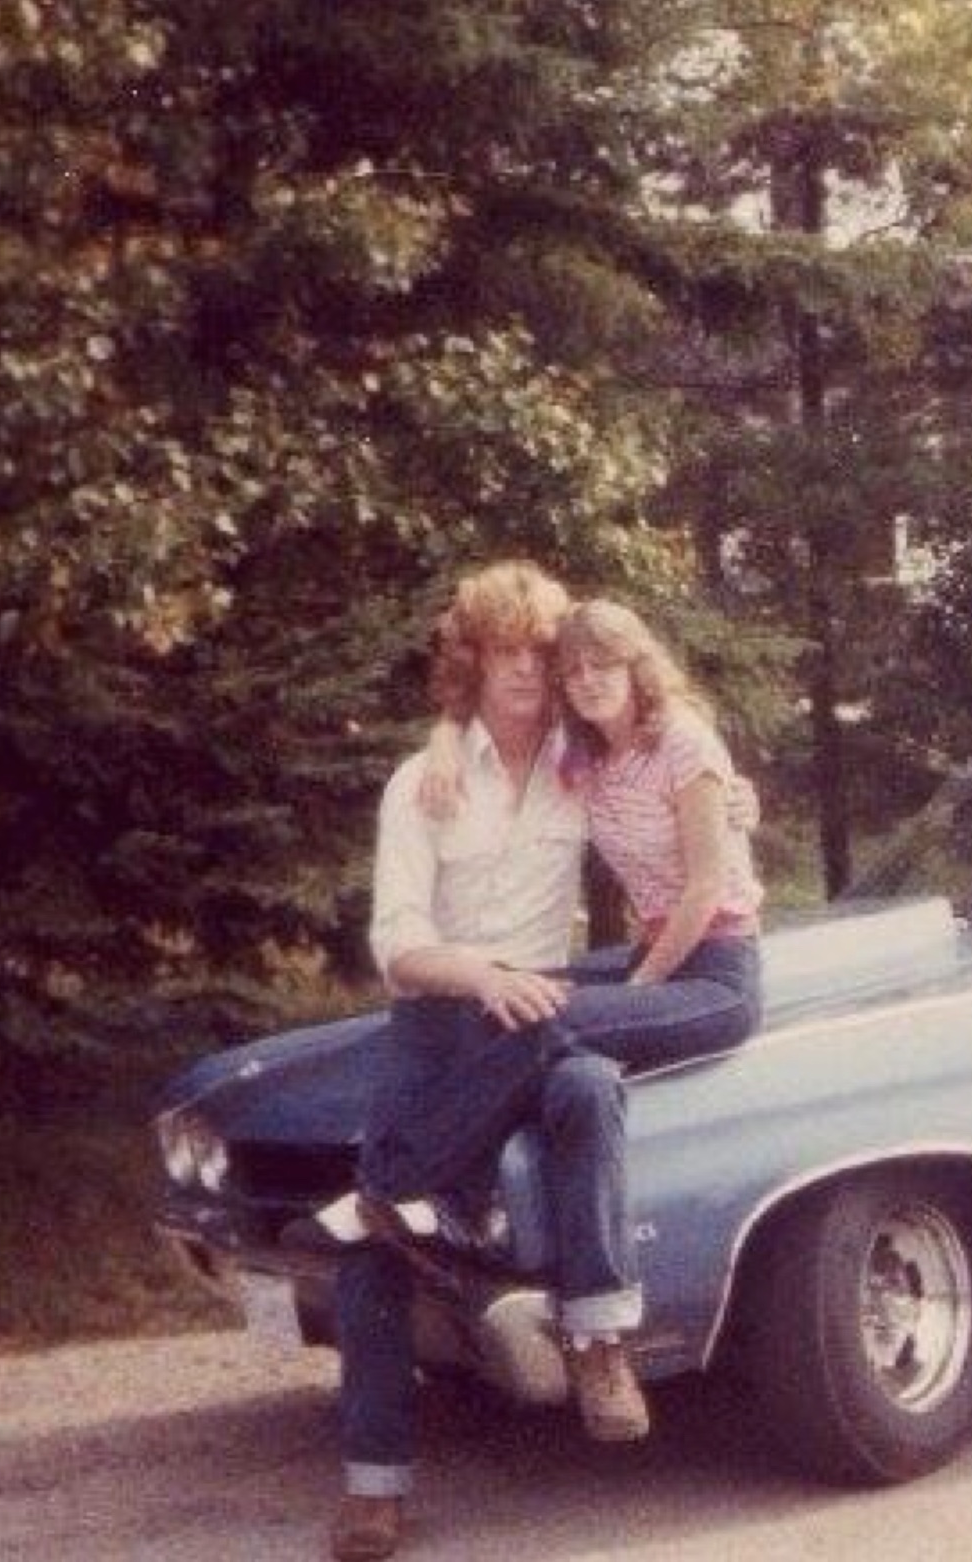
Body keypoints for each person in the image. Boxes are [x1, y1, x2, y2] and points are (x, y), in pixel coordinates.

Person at [329, 563, 761, 1562]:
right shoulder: (422, 778)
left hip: (548, 1000)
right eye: (504, 650)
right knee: (368, 1254)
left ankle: (601, 1341)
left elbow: (671, 764)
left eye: (542, 652)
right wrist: (478, 974)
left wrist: (733, 797)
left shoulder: (579, 756)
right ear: (471, 662)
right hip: (444, 1011)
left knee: (589, 1083)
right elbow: (395, 943)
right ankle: (374, 1485)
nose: (527, 670)